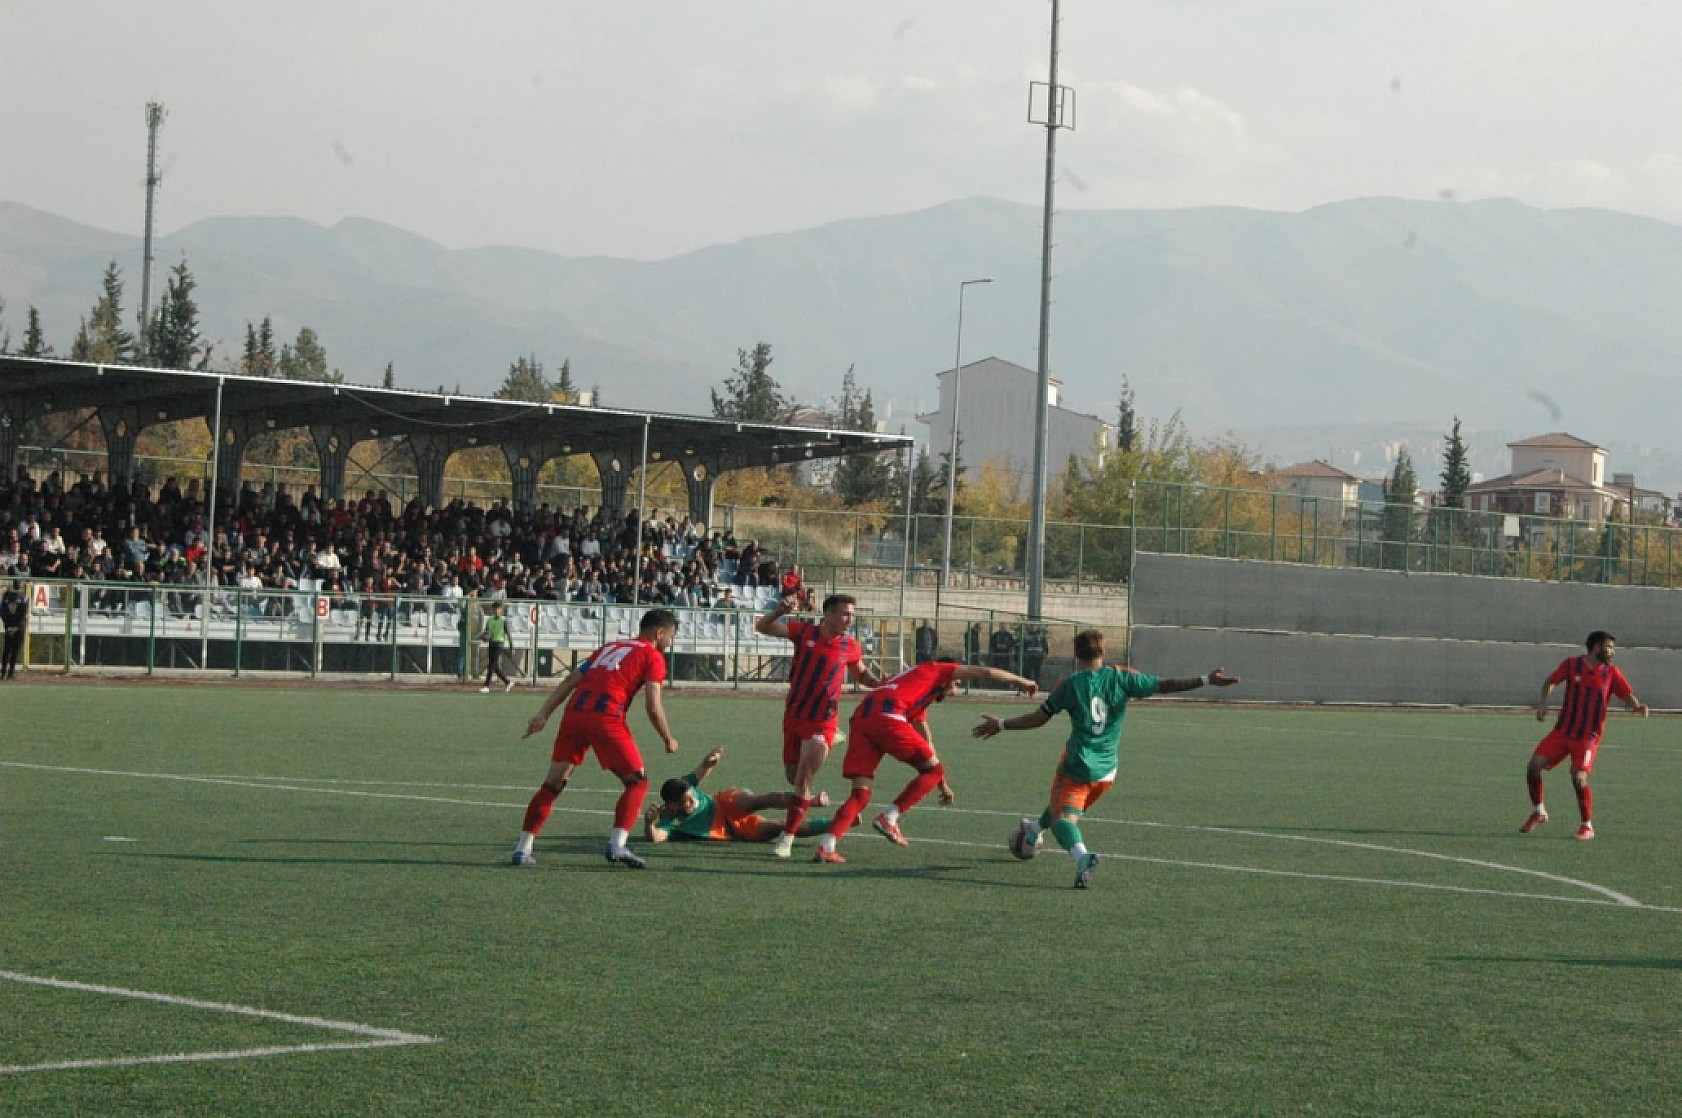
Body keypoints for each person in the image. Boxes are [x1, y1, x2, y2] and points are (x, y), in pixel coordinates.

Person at [974, 629, 1240, 889]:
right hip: (1107, 772)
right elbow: (1165, 685)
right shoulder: (1121, 677)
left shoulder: (1071, 685)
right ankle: (1032, 831)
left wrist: (1002, 724)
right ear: (1103, 651)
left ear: (1076, 654)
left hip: (1078, 766)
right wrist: (1206, 679)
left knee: (1062, 821)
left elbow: (1038, 718)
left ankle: (1082, 858)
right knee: (1064, 807)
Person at [814, 657, 1037, 865]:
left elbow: (927, 745)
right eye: (956, 683)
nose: (954, 689)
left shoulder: (912, 687)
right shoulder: (937, 670)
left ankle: (827, 846)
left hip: (862, 721)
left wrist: (942, 783)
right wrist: (1022, 681)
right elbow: (986, 671)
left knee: (861, 794)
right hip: (887, 717)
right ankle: (889, 818)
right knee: (932, 770)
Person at [512, 608, 681, 869]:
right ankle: (617, 844)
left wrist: (543, 714)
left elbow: (571, 680)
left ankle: (523, 849)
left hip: (574, 715)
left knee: (553, 784)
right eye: (670, 637)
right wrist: (668, 738)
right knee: (637, 782)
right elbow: (652, 705)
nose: (670, 644)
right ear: (659, 633)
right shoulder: (652, 655)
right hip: (606, 717)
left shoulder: (609, 647)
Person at [753, 592, 882, 857]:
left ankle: (785, 839)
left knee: (803, 778)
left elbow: (862, 674)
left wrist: (884, 684)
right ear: (829, 613)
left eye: (853, 615)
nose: (849, 620)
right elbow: (762, 627)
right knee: (792, 776)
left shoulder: (850, 646)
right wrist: (778, 611)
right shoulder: (803, 632)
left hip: (823, 720)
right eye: (845, 614)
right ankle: (829, 741)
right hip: (794, 717)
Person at [1520, 630, 1648, 841]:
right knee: (1533, 766)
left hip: (1588, 736)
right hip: (1563, 731)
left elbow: (1626, 694)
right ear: (1596, 647)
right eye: (1609, 647)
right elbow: (1550, 681)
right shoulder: (1571, 665)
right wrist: (1543, 703)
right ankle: (1538, 811)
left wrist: (1637, 706)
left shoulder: (1612, 673)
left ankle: (1587, 825)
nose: (1612, 652)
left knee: (1578, 778)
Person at [643, 746, 834, 844]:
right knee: (779, 827)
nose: (692, 799)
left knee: (758, 801)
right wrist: (649, 824)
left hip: (724, 803)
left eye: (691, 796)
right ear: (673, 805)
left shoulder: (684, 784)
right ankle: (841, 821)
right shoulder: (669, 820)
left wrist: (711, 760)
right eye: (687, 801)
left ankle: (808, 800)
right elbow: (657, 837)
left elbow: (702, 769)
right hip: (730, 829)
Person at [480, 601, 514, 693]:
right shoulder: (489, 620)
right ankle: (507, 682)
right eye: (495, 609)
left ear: (501, 610)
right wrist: (484, 637)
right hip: (491, 644)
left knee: (491, 665)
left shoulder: (503, 620)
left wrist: (512, 647)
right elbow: (486, 633)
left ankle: (486, 686)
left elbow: (509, 634)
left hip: (499, 644)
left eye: (498, 609)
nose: (496, 611)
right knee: (494, 666)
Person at [1, 581, 25, 680]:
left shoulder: (6, 596)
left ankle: (3, 674)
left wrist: (7, 626)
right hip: (18, 628)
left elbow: (2, 612)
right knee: (14, 651)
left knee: (7, 651)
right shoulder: (23, 597)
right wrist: (17, 626)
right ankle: (10, 674)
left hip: (9, 627)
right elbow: (23, 613)